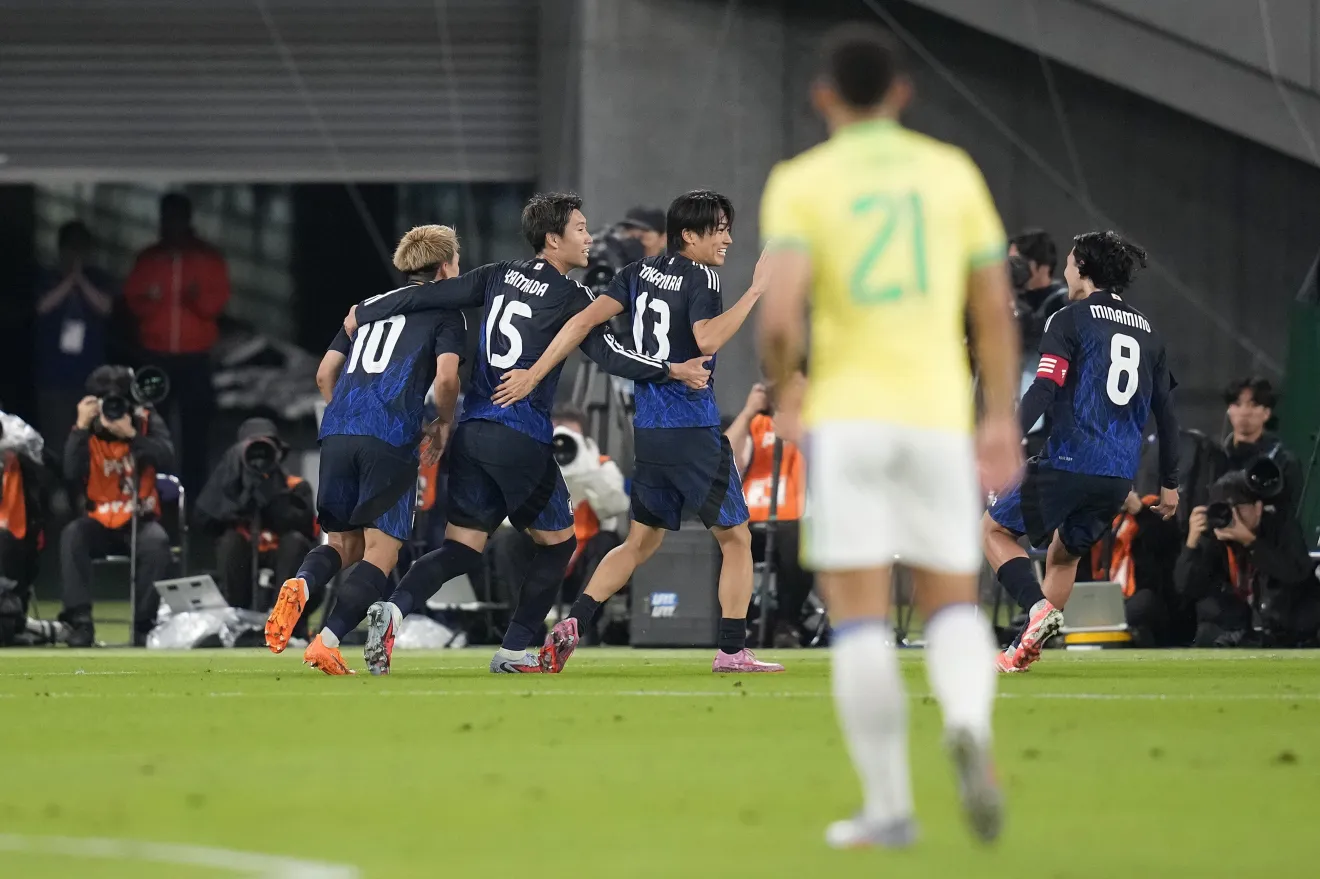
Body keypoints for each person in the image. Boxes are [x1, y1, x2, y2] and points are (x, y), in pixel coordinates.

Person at [756, 24, 1023, 848]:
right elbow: (993, 309)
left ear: (823, 97)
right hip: (936, 414)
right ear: (902, 92)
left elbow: (779, 314)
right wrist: (1000, 415)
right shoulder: (952, 173)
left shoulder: (801, 182)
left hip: (849, 418)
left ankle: (889, 807)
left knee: (861, 618)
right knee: (951, 602)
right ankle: (968, 718)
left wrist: (788, 389)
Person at [346, 192, 712, 675]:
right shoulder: (575, 297)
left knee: (460, 548)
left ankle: (393, 609)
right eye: (580, 228)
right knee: (558, 544)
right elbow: (611, 356)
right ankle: (514, 652)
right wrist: (673, 369)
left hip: (473, 432)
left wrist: (364, 311)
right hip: (520, 433)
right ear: (553, 239)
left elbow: (426, 295)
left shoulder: (496, 274)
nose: (589, 237)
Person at [493, 190, 784, 674]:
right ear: (689, 235)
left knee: (639, 544)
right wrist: (755, 291)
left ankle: (574, 621)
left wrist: (535, 372)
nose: (728, 239)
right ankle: (733, 651)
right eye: (719, 230)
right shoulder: (703, 276)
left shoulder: (635, 273)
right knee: (736, 539)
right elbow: (707, 338)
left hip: (649, 433)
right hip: (693, 428)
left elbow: (581, 322)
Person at [262, 225, 468, 674]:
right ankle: (327, 641)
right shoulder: (446, 314)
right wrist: (443, 422)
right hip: (389, 435)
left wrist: (347, 415)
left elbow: (324, 374)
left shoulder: (367, 308)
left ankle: (302, 583)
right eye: (456, 261)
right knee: (382, 550)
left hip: (337, 432)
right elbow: (447, 378)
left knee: (344, 543)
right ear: (444, 266)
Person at [984, 230, 1181, 673]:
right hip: (1117, 478)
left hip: (1071, 460)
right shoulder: (1149, 331)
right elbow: (1167, 416)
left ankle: (1037, 609)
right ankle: (1022, 650)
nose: (1066, 270)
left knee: (993, 531)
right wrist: (1170, 483)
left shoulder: (1069, 319)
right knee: (1065, 555)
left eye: (1071, 262)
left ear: (1084, 269)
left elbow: (1044, 388)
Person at [485, 405, 631, 640]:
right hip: (540, 559)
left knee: (607, 542)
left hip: (582, 564)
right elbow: (505, 519)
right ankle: (527, 631)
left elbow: (616, 507)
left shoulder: (602, 465)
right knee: (507, 541)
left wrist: (588, 472)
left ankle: (582, 628)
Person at [59, 365, 176, 647]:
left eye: (119, 401)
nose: (113, 408)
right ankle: (80, 623)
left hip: (139, 519)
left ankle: (144, 626)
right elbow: (71, 473)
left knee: (157, 543)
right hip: (98, 520)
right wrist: (80, 428)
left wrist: (133, 435)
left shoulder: (145, 420)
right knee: (72, 535)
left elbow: (168, 458)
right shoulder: (87, 427)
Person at [124, 193, 231, 496]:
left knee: (196, 430)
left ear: (186, 219)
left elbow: (218, 302)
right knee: (153, 428)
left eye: (175, 218)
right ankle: (155, 492)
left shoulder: (208, 258)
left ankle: (195, 496)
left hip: (195, 356)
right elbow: (132, 300)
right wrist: (150, 301)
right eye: (166, 218)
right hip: (155, 354)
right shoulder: (149, 258)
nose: (170, 224)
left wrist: (196, 299)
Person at [194, 418, 320, 638]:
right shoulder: (229, 487)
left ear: (279, 452)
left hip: (283, 560)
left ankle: (284, 618)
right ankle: (238, 619)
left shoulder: (295, 486)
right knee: (230, 540)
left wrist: (271, 493)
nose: (260, 456)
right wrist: (236, 489)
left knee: (295, 542)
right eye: (253, 448)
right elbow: (202, 519)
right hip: (242, 559)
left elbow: (306, 530)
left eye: (267, 448)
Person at [1177, 472, 1318, 646]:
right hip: (1235, 625)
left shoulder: (1280, 527)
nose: (1232, 515)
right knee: (1207, 631)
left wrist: (1251, 542)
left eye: (1238, 507)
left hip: (1284, 627)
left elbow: (1296, 573)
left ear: (1258, 508)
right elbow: (1185, 588)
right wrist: (1192, 542)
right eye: (1224, 508)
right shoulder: (1214, 534)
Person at [723, 375, 813, 646]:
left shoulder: (816, 422)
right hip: (751, 519)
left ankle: (787, 623)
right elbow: (722, 460)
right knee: (723, 537)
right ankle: (739, 622)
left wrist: (797, 429)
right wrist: (748, 412)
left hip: (795, 519)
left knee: (798, 541)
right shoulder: (756, 424)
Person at [33, 221, 117, 444]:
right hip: (53, 377)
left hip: (90, 376)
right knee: (56, 438)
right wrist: (69, 280)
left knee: (90, 440)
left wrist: (81, 280)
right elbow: (42, 307)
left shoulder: (98, 278)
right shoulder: (48, 276)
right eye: (71, 249)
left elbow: (105, 308)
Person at [0, 410, 55, 646]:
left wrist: (28, 449)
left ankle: (10, 624)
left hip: (17, 538)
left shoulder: (18, 458)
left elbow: (56, 470)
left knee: (10, 545)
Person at [1009, 228, 1069, 440]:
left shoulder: (1061, 303)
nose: (1012, 270)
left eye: (1018, 263)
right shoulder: (1011, 298)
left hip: (1041, 419)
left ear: (1041, 267)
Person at [1221, 377, 1302, 517]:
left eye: (1253, 405)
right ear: (1229, 410)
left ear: (1267, 413)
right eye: (1237, 404)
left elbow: (1289, 516)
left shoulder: (1284, 461)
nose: (1245, 412)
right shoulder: (1215, 456)